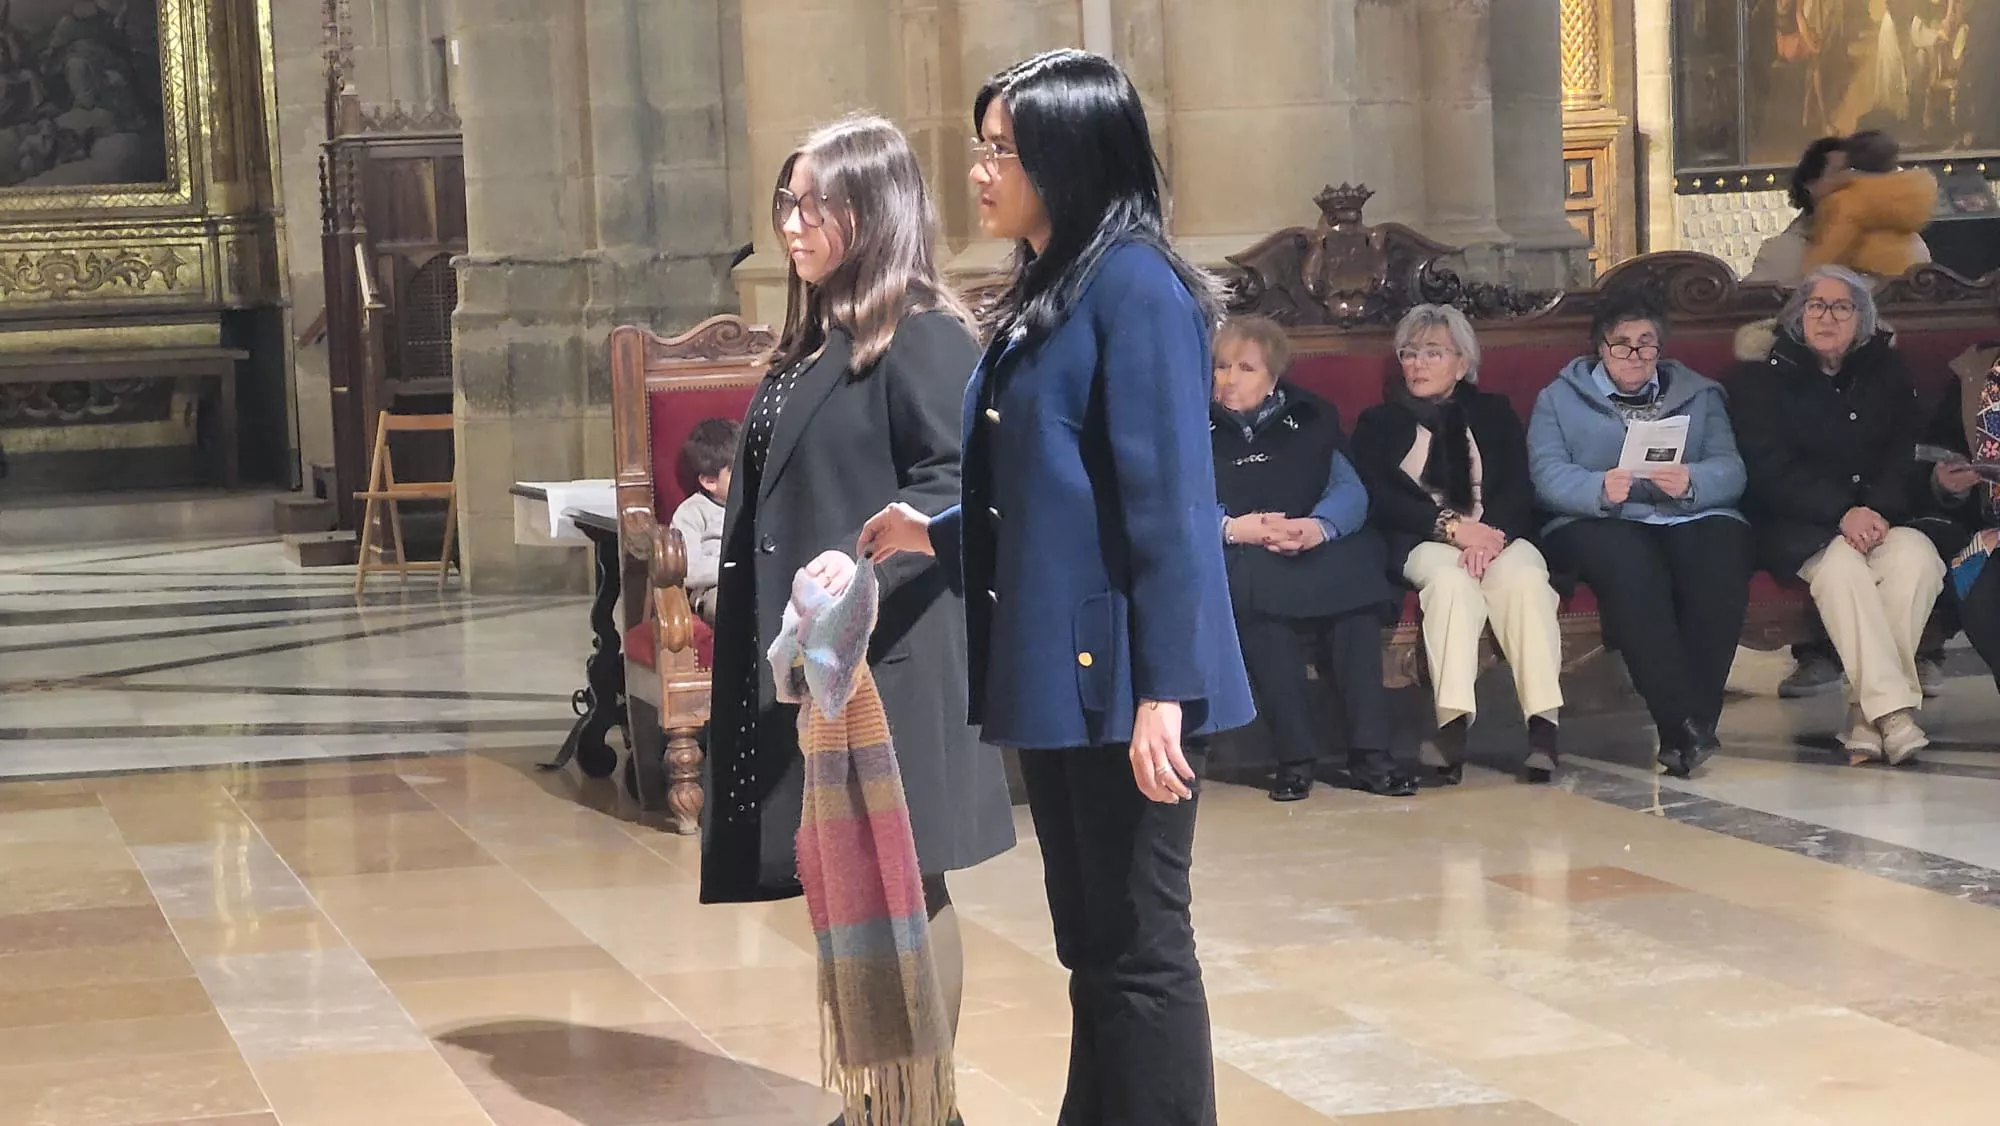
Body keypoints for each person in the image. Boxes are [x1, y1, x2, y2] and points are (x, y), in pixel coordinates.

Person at [860, 49, 1254, 1126]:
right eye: (981, 145)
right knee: (1090, 943)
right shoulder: (1056, 278)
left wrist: (1163, 690)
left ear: (1068, 156)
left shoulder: (1137, 288)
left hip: (1130, 668)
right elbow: (1049, 482)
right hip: (1068, 664)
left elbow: (1166, 503)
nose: (980, 170)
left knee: (1139, 944)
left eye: (1003, 150)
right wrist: (935, 531)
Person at [699, 117, 1015, 1119]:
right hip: (823, 666)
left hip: (895, 659)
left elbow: (955, 477)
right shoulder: (819, 333)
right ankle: (884, 1101)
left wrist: (861, 565)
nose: (794, 223)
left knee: (904, 888)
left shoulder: (916, 327)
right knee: (852, 889)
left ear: (872, 210)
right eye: (785, 202)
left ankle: (918, 1108)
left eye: (817, 203)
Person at [1527, 294, 1754, 778]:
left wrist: (1693, 480)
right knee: (1633, 571)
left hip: (1685, 512)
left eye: (1647, 345)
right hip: (1600, 519)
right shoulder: (1558, 399)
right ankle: (1680, 724)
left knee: (1721, 559)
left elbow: (1730, 468)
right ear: (1600, 348)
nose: (1635, 356)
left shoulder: (1700, 394)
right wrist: (1598, 487)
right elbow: (1546, 475)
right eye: (1622, 346)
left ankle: (1695, 724)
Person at [1729, 265, 1946, 765]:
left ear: (1863, 322)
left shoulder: (1886, 372)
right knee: (1842, 570)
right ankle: (1891, 714)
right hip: (1796, 524)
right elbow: (1767, 468)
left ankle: (1866, 717)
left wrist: (1875, 509)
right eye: (1816, 306)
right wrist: (1840, 512)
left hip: (1876, 517)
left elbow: (1903, 450)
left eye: (1841, 307)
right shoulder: (1761, 377)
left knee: (1917, 558)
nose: (1826, 317)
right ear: (1797, 315)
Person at [1350, 304, 1565, 785]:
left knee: (1527, 580)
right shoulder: (1379, 423)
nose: (1418, 365)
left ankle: (1543, 729)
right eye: (1409, 354)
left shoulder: (1493, 413)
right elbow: (1380, 498)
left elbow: (1517, 487)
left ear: (1462, 364)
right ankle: (1451, 728)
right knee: (1450, 585)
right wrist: (1451, 528)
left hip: (1497, 535)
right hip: (1425, 539)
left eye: (1433, 353)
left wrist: (1491, 537)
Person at [1211, 315, 1410, 800]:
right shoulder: (1192, 423)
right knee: (1257, 601)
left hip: (1311, 540)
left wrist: (1318, 528)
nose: (1229, 379)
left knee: (1355, 602)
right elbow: (1177, 503)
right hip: (1242, 546)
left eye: (1245, 368)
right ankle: (1295, 759)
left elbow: (1349, 489)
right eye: (1220, 367)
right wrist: (1234, 528)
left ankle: (1371, 756)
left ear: (1273, 376)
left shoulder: (1312, 414)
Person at [1911, 341, 2000, 693]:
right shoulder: (1977, 373)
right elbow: (1939, 448)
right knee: (1976, 569)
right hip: (1988, 527)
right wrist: (1948, 483)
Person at [1746, 135, 1931, 286]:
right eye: (1843, 172)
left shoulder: (1911, 247)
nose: (1856, 180)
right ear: (1810, 186)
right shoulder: (1781, 251)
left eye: (1863, 173)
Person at [1800, 130, 1938, 279]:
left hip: (1869, 282)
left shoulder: (1846, 200)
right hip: (1913, 277)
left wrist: (1807, 276)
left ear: (1850, 162)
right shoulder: (1912, 193)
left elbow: (1829, 252)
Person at [671, 417, 738, 624]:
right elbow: (689, 570)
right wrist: (738, 567)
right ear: (710, 481)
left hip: (764, 583)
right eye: (738, 472)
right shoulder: (692, 512)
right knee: (731, 604)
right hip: (716, 591)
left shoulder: (759, 504)